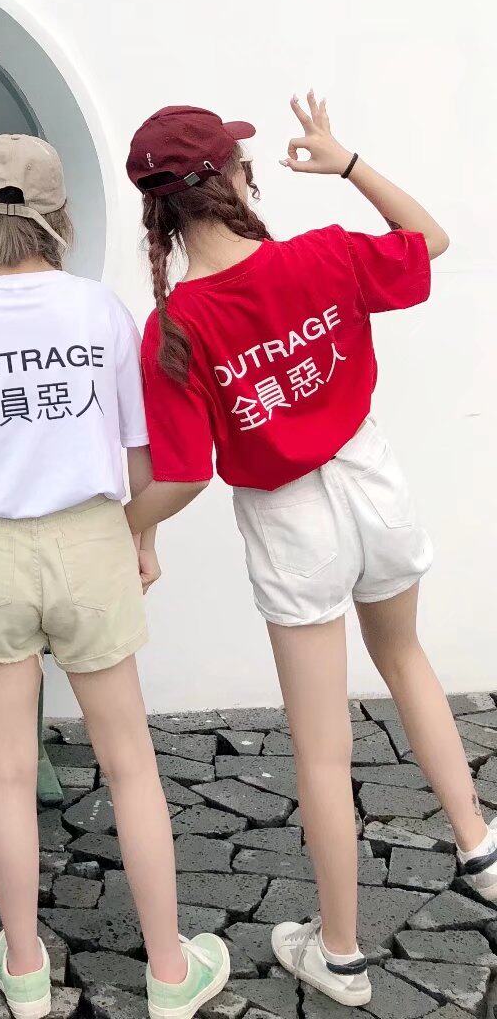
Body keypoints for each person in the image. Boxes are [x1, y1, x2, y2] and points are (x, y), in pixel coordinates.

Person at [124, 95, 497, 1007]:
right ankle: (481, 848)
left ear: (158, 212)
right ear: (233, 178)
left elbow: (184, 474)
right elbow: (430, 240)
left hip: (292, 523)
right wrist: (347, 161)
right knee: (406, 659)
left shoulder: (174, 325)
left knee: (322, 749)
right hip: (372, 482)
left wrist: (132, 526)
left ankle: (341, 956)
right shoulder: (324, 254)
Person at [0, 133, 231, 1019]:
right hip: (90, 540)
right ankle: (168, 971)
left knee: (3, 773)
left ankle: (26, 969)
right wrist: (140, 537)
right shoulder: (97, 309)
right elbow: (140, 445)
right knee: (130, 764)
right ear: (58, 215)